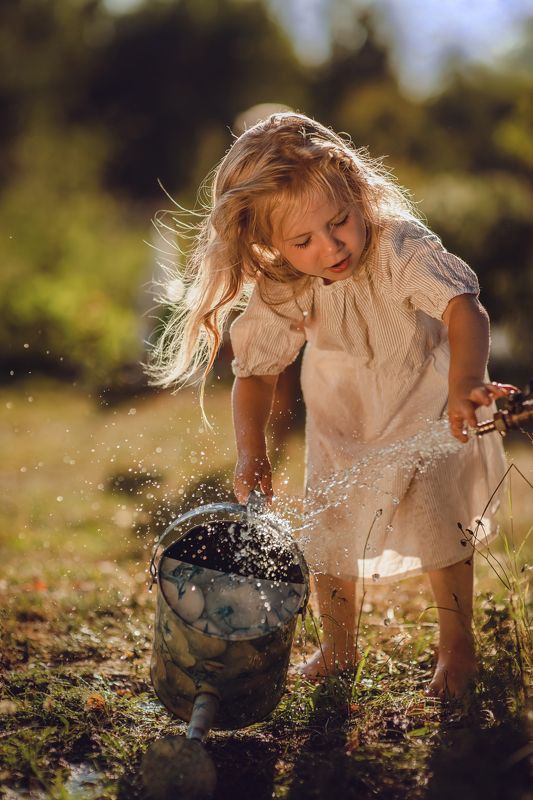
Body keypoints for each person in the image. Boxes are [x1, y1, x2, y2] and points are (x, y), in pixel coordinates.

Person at [149, 112, 512, 698]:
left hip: (425, 398)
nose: (331, 246)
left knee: (440, 526)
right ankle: (339, 648)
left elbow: (463, 307)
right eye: (304, 241)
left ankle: (458, 648)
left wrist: (464, 383)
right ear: (271, 245)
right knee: (330, 533)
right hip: (342, 413)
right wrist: (251, 454)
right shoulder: (287, 281)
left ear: (357, 190)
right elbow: (256, 374)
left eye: (339, 222)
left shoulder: (399, 244)